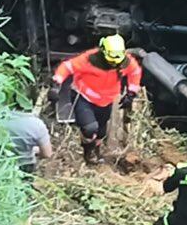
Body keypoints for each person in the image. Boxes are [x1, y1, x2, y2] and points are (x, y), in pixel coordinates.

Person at [52, 34, 142, 165]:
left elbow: (135, 72)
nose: (113, 64)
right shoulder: (89, 59)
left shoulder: (125, 62)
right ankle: (88, 152)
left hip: (106, 101)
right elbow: (67, 67)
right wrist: (56, 83)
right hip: (84, 96)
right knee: (90, 128)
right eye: (111, 61)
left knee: (101, 132)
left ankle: (97, 150)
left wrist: (131, 93)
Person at [2, 93, 53, 176]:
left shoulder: (1, 115)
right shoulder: (37, 125)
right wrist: (35, 150)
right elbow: (47, 154)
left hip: (1, 161)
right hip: (24, 163)